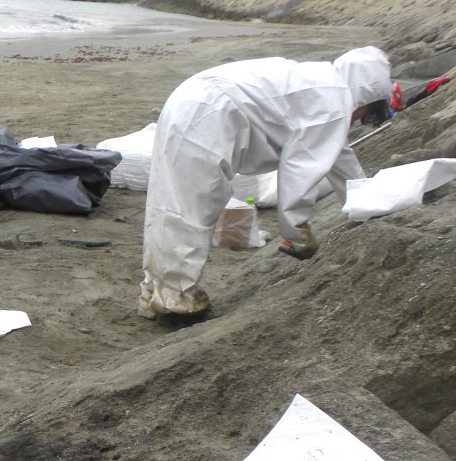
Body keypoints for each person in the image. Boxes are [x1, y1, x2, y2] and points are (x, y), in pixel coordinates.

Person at [138, 46, 392, 320]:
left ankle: (155, 292)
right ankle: (176, 299)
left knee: (171, 198)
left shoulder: (324, 84)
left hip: (194, 100)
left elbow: (340, 158)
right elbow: (301, 168)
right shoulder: (335, 103)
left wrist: (366, 199)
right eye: (364, 113)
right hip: (210, 113)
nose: (358, 120)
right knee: (191, 205)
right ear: (365, 98)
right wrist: (296, 231)